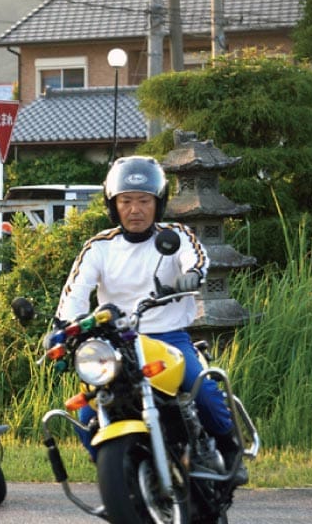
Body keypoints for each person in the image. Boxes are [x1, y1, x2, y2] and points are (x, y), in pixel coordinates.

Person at [56, 156, 247, 485]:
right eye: (126, 201)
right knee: (88, 413)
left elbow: (196, 258)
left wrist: (191, 276)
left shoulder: (176, 235)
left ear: (158, 204)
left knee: (202, 391)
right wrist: (64, 328)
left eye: (144, 201)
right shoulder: (99, 247)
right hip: (115, 345)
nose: (135, 210)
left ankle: (231, 451)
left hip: (168, 339)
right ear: (112, 205)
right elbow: (75, 292)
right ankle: (119, 477)